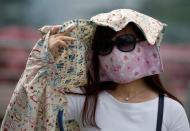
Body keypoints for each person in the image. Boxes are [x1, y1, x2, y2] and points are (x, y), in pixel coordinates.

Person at [1, 9, 190, 131]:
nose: (115, 53)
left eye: (125, 42)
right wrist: (43, 56)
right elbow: (29, 111)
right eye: (104, 46)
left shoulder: (170, 111)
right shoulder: (83, 102)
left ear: (147, 45)